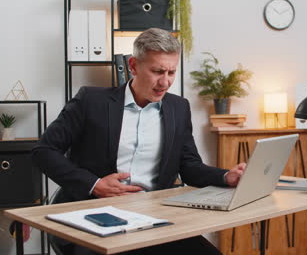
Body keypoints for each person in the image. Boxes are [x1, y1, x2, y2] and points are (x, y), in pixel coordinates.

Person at [32, 28, 245, 255]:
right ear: (133, 66)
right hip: (95, 215)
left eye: (171, 72)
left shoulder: (178, 108)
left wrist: (225, 176)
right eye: (157, 71)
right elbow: (43, 151)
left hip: (154, 217)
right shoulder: (90, 101)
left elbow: (190, 167)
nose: (165, 82)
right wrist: (95, 184)